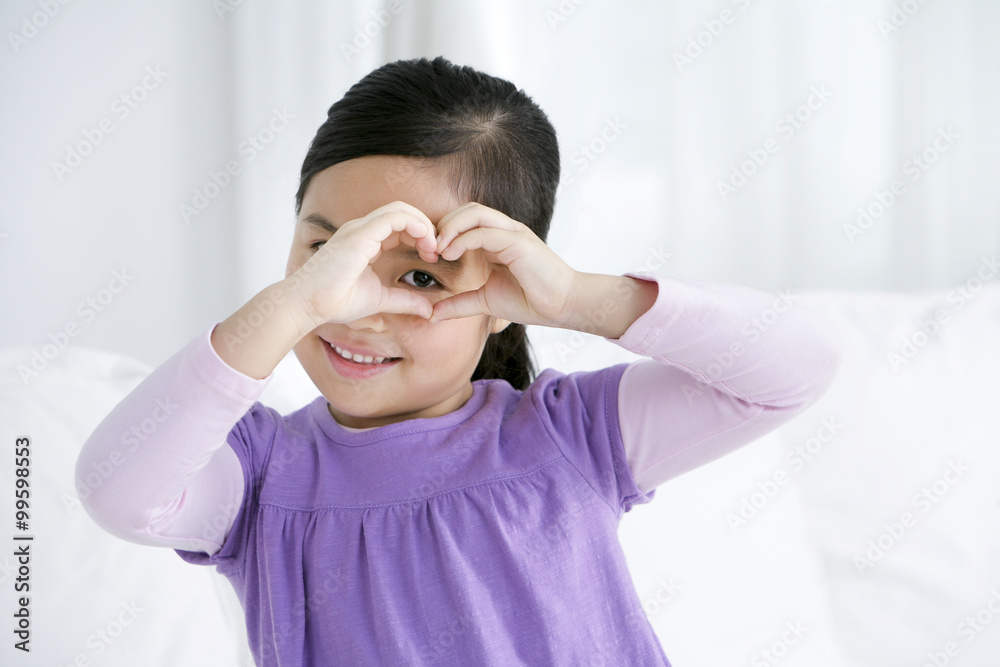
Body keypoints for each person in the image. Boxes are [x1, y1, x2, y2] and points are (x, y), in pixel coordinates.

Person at [76, 56, 841, 666]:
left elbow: (795, 366)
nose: (358, 306)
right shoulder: (262, 477)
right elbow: (118, 489)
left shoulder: (567, 438)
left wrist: (576, 296)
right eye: (330, 254)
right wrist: (295, 304)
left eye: (419, 275)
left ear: (505, 288)